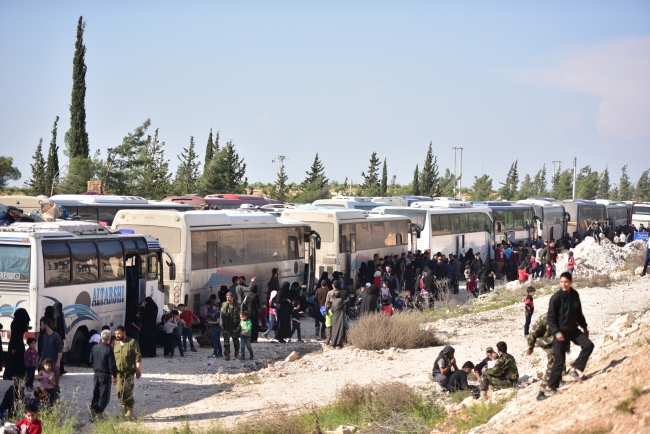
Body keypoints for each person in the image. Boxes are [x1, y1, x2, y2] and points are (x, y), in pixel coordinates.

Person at [546, 272, 594, 396]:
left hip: (573, 330)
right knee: (559, 361)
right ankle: (550, 386)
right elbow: (550, 318)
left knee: (588, 345)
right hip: (561, 333)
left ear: (571, 282)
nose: (564, 284)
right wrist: (556, 332)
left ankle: (574, 368)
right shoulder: (556, 297)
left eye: (566, 281)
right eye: (562, 281)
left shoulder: (575, 295)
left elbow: (579, 313)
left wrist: (584, 327)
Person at [526, 314, 566, 401]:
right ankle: (541, 392)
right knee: (552, 364)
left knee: (560, 357)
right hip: (544, 342)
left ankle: (559, 380)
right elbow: (532, 333)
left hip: (554, 340)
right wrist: (530, 347)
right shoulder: (544, 319)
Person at [113, 325, 142, 419]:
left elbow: (138, 357)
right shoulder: (116, 344)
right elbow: (113, 359)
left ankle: (130, 411)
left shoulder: (132, 343)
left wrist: (138, 370)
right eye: (116, 334)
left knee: (128, 391)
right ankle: (123, 411)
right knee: (119, 391)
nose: (117, 336)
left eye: (119, 334)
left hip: (129, 372)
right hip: (118, 373)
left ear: (124, 333)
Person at [89, 329, 117, 420]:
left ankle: (92, 411)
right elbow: (112, 365)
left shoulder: (94, 347)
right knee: (104, 395)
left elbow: (90, 360)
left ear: (101, 338)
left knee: (96, 393)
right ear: (109, 338)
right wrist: (114, 376)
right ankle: (99, 414)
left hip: (96, 374)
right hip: (105, 374)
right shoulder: (109, 349)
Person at [3, 308, 30, 380]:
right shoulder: (16, 323)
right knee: (12, 359)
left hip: (17, 343)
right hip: (16, 344)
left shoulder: (17, 322)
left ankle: (16, 374)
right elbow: (15, 335)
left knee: (16, 359)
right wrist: (14, 347)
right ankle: (9, 374)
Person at [38, 317, 62, 386]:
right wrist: (40, 360)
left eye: (42, 325)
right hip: (44, 362)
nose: (40, 327)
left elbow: (59, 350)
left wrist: (58, 362)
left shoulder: (56, 336)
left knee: (54, 383)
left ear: (46, 326)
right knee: (44, 382)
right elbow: (43, 349)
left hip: (53, 362)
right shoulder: (44, 336)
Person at [221, 292, 241, 360]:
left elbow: (242, 317)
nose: (228, 299)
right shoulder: (224, 305)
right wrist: (221, 325)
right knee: (226, 340)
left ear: (233, 298)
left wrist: (239, 325)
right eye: (227, 297)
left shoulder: (238, 305)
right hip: (226, 325)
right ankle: (227, 353)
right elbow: (221, 315)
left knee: (235, 340)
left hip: (234, 325)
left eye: (229, 297)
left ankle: (237, 350)